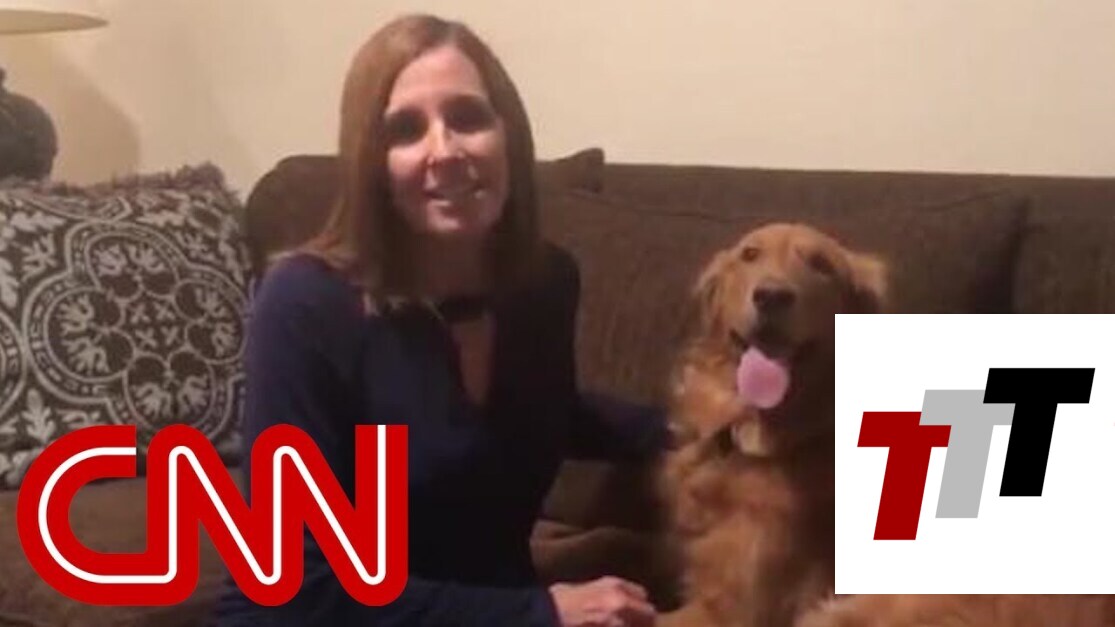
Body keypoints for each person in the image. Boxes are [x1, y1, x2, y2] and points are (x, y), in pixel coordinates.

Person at [211, 13, 667, 627]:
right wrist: (540, 612)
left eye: (468, 118)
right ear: (372, 163)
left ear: (509, 135)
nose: (444, 151)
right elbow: (292, 590)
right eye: (405, 130)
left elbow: (540, 409)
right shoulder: (304, 303)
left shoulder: (545, 283)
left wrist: (708, 426)